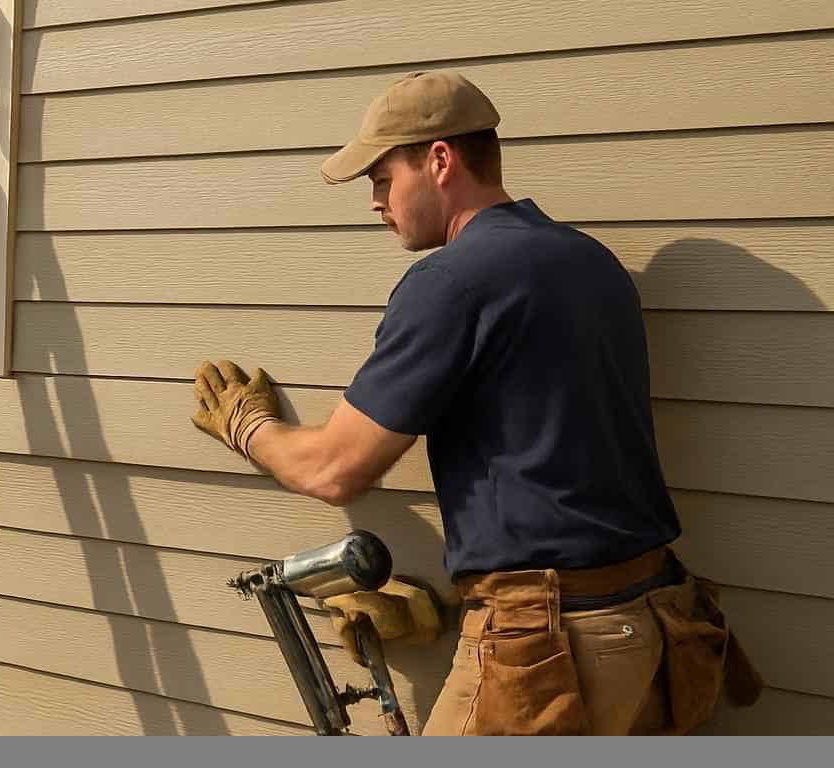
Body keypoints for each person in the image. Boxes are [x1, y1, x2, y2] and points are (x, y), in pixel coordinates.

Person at [190, 70, 762, 735]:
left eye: (382, 179)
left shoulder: (452, 281)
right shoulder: (591, 262)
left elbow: (333, 468)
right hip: (655, 626)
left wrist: (248, 423)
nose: (375, 202)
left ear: (439, 160)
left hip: (551, 648)